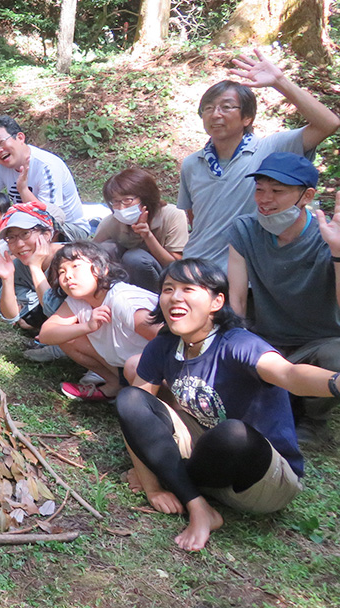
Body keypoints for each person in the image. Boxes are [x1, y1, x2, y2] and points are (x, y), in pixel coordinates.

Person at [117, 258, 340, 551]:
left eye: (188, 288)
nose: (175, 297)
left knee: (234, 433)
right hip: (205, 458)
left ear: (216, 301)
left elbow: (290, 374)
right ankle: (198, 506)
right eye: (168, 288)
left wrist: (336, 381)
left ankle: (174, 476)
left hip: (261, 479)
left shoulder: (238, 343)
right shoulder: (165, 345)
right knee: (131, 398)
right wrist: (152, 487)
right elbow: (132, 417)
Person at [177, 50, 340, 270]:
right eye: (208, 108)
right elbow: (194, 218)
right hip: (197, 269)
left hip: (251, 273)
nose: (215, 114)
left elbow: (327, 124)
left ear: (247, 118)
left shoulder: (272, 150)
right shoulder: (191, 164)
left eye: (226, 107)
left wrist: (280, 81)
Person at [227, 152, 340, 445]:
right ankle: (288, 399)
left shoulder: (326, 237)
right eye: (260, 189)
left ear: (307, 195)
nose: (265, 199)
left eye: (277, 191)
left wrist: (338, 253)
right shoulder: (245, 229)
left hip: (321, 340)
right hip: (268, 340)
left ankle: (315, 420)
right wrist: (235, 341)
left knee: (335, 358)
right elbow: (236, 297)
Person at [38, 242, 159, 401]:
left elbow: (166, 342)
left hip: (154, 371)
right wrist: (87, 327)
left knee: (135, 365)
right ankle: (115, 384)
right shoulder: (79, 300)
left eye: (76, 266)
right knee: (68, 336)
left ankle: (157, 406)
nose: (68, 275)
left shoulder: (123, 300)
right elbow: (46, 334)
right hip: (125, 366)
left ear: (102, 269)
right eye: (62, 271)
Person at [0, 115, 89, 240]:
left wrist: (23, 190)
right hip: (27, 225)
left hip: (68, 229)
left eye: (1, 142)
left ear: (20, 137)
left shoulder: (47, 166)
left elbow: (49, 219)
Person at [93, 168, 188, 292]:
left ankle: (155, 302)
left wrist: (147, 236)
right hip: (125, 279)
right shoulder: (111, 222)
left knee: (134, 257)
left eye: (127, 200)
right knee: (105, 249)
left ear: (145, 198)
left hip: (163, 279)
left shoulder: (172, 215)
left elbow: (175, 265)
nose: (121, 207)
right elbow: (89, 250)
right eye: (115, 202)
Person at [0, 202, 65, 330]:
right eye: (11, 237)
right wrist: (7, 278)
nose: (19, 244)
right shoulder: (19, 265)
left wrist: (35, 267)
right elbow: (10, 316)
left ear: (47, 235)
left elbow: (58, 313)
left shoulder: (71, 260)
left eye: (25, 234)